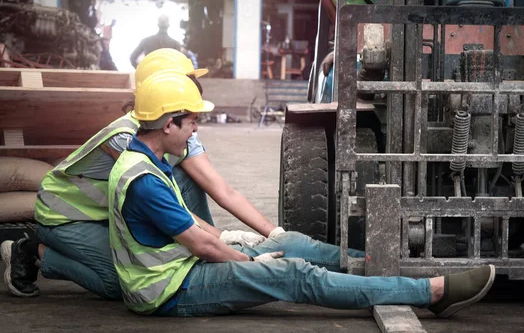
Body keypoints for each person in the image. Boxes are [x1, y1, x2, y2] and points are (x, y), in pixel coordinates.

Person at [107, 69, 496, 317]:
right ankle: (430, 291)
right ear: (168, 124)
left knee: (291, 244)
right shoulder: (142, 178)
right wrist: (249, 260)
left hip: (183, 267)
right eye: (191, 123)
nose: (195, 131)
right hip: (170, 290)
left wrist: (244, 241)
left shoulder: (150, 159)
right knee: (294, 274)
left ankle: (392, 270)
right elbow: (203, 248)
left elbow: (196, 228)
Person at [1, 48, 279, 300]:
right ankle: (31, 252)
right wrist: (218, 239)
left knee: (189, 181)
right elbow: (162, 202)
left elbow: (222, 190)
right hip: (67, 217)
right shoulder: (127, 138)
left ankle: (208, 256)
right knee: (120, 283)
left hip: (106, 214)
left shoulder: (180, 129)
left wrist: (274, 233)